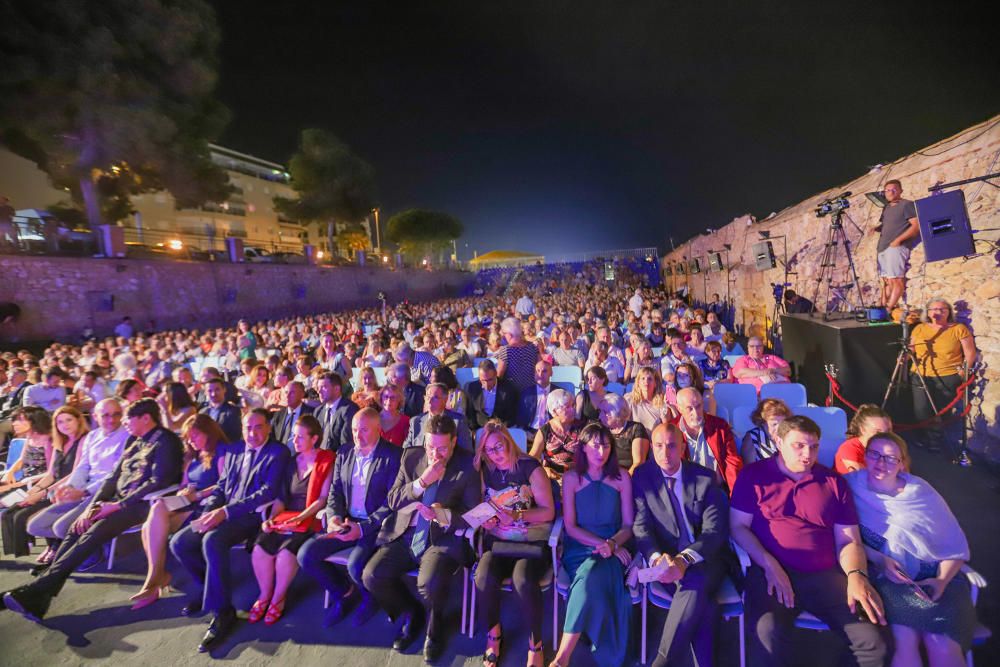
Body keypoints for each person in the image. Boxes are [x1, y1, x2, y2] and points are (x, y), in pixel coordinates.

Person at [2, 398, 184, 622]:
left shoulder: (167, 441)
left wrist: (117, 505)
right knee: (76, 528)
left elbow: (158, 481)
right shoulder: (135, 441)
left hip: (145, 503)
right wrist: (90, 508)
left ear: (146, 418)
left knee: (92, 533)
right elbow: (112, 478)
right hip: (118, 500)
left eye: (128, 417)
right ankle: (39, 595)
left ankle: (37, 591)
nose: (123, 422)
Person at [730, 415, 888, 667]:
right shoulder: (754, 476)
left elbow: (848, 540)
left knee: (873, 643)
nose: (808, 454)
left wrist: (857, 575)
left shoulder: (833, 483)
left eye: (814, 446)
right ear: (779, 442)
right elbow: (738, 527)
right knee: (766, 636)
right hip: (771, 572)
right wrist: (768, 563)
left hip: (825, 575)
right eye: (799, 446)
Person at [846, 432, 975, 667]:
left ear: (902, 463)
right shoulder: (850, 486)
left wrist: (941, 581)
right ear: (865, 455)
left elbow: (953, 547)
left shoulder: (921, 492)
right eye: (874, 454)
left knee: (942, 645)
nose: (881, 463)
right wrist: (879, 559)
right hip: (886, 579)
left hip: (938, 580)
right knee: (904, 641)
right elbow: (845, 540)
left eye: (890, 458)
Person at [361, 414, 481, 662]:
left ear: (454, 441)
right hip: (407, 534)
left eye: (442, 448)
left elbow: (473, 514)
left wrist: (443, 514)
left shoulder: (467, 465)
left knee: (429, 583)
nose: (435, 454)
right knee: (371, 575)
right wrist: (421, 482)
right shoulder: (411, 456)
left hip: (441, 538)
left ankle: (434, 630)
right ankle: (411, 612)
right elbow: (393, 500)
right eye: (430, 446)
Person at [169, 408, 290, 652]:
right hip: (223, 512)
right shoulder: (234, 450)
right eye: (248, 427)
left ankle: (223, 612)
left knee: (212, 541)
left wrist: (224, 513)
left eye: (258, 427)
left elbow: (266, 492)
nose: (252, 433)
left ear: (268, 428)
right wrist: (208, 513)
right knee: (179, 543)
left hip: (251, 516)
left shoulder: (277, 452)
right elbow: (222, 487)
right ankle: (211, 589)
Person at [634, 423, 731, 667]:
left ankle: (661, 662)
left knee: (694, 582)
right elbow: (641, 527)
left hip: (705, 560)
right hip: (665, 562)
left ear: (683, 447)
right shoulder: (643, 477)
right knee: (703, 606)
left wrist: (684, 560)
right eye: (658, 446)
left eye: (671, 445)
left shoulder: (704, 478)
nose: (665, 453)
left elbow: (714, 532)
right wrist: (658, 559)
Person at [298, 408, 402, 627]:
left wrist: (363, 528)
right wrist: (334, 516)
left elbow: (391, 504)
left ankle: (369, 599)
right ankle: (343, 593)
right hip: (346, 522)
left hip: (374, 526)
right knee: (306, 555)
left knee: (355, 566)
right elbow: (335, 491)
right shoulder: (344, 452)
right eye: (355, 430)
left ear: (378, 429)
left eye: (364, 430)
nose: (358, 435)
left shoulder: (393, 456)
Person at [550, 422, 634, 667]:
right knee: (588, 575)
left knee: (589, 579)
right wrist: (604, 544)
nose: (602, 451)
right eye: (595, 445)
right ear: (583, 448)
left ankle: (562, 658)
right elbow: (571, 526)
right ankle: (566, 656)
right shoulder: (571, 478)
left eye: (606, 445)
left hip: (612, 549)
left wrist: (613, 544)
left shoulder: (622, 477)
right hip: (581, 547)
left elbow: (628, 525)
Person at [474, 421, 556, 667]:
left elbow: (549, 512)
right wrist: (484, 521)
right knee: (483, 576)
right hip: (498, 542)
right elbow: (482, 507)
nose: (495, 454)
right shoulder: (487, 471)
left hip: (530, 541)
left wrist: (518, 516)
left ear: (509, 442)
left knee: (522, 579)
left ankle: (536, 645)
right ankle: (494, 634)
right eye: (489, 450)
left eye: (499, 446)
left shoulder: (530, 468)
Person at [128, 414, 229, 610]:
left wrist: (197, 495)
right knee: (152, 518)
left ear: (209, 433)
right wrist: (185, 491)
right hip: (188, 503)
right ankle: (156, 577)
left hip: (208, 505)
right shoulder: (192, 457)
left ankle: (156, 580)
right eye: (188, 438)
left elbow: (224, 485)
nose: (192, 441)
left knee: (154, 517)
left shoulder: (221, 452)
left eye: (196, 436)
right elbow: (184, 484)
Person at [248, 415, 334, 625]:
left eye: (299, 437)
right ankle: (264, 595)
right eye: (293, 436)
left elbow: (323, 499)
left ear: (314, 439)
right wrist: (272, 519)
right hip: (286, 518)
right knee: (261, 548)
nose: (294, 441)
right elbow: (280, 498)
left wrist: (301, 517)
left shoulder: (326, 460)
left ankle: (278, 598)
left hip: (309, 519)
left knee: (285, 554)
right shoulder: (290, 462)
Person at [25, 399, 128, 567]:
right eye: (106, 415)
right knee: (35, 525)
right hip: (85, 489)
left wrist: (83, 492)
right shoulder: (93, 436)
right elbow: (82, 467)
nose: (111, 419)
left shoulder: (127, 436)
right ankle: (78, 547)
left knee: (61, 528)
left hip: (107, 492)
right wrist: (69, 487)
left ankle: (92, 552)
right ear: (95, 416)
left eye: (116, 414)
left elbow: (115, 475)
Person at [1, 406, 86, 560]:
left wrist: (40, 490)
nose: (64, 425)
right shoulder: (60, 441)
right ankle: (34, 546)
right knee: (9, 510)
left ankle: (52, 547)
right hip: (41, 486)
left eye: (68, 420)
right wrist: (14, 474)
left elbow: (74, 474)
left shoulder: (78, 441)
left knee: (19, 513)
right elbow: (52, 473)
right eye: (60, 422)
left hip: (66, 490)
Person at [908, 298, 977, 463]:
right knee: (921, 409)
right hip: (920, 374)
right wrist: (905, 356)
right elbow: (912, 348)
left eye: (942, 309)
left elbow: (970, 352)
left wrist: (963, 371)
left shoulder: (958, 329)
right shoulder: (919, 328)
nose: (937, 312)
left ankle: (934, 442)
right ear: (928, 312)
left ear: (948, 312)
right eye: (933, 309)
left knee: (941, 410)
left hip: (948, 375)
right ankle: (926, 437)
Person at [674, 387, 742, 493]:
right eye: (689, 409)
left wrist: (736, 494)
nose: (696, 413)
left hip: (717, 490)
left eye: (698, 406)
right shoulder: (672, 429)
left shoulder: (719, 426)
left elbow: (732, 462)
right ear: (679, 409)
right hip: (686, 493)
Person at [874, 179, 920, 310]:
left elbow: (916, 226)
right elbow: (887, 225)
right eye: (887, 190)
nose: (890, 192)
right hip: (882, 247)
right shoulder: (886, 208)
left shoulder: (907, 205)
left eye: (894, 189)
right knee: (886, 281)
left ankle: (889, 309)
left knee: (896, 280)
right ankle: (882, 308)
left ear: (900, 191)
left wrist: (898, 240)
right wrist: (875, 228)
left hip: (895, 247)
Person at [529, 388, 584, 481]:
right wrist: (543, 470)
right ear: (554, 412)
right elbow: (531, 459)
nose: (572, 410)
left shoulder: (581, 428)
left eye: (573, 405)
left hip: (578, 477)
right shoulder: (545, 431)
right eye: (567, 407)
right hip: (553, 478)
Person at [402, 382, 473, 451]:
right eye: (428, 397)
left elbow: (466, 452)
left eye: (435, 397)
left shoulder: (458, 422)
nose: (429, 401)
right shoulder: (416, 421)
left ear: (445, 400)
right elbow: (406, 450)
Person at [0, 407, 51, 498]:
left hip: (35, 485)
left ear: (35, 421)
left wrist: (18, 484)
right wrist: (10, 472)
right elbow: (21, 460)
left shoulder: (49, 440)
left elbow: (51, 473)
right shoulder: (30, 437)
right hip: (22, 481)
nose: (14, 423)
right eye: (15, 420)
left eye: (20, 420)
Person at [599, 392, 650, 474]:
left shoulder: (636, 429)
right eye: (600, 411)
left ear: (618, 413)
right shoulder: (602, 430)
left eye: (605, 412)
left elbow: (639, 462)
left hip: (631, 477)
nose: (600, 416)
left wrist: (624, 482)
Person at [835, 404, 893, 475]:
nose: (885, 436)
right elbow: (863, 479)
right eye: (878, 432)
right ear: (862, 430)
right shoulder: (849, 449)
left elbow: (904, 473)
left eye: (888, 431)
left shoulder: (891, 448)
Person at [465, 359, 518, 430]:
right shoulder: (471, 388)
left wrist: (502, 429)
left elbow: (512, 415)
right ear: (479, 377)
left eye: (490, 380)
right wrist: (474, 432)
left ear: (496, 374)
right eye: (483, 380)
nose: (487, 385)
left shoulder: (508, 389)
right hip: (480, 429)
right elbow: (470, 414)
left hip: (501, 430)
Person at [314, 371, 359, 452]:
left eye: (323, 387)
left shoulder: (349, 409)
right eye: (318, 387)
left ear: (337, 389)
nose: (319, 391)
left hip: (337, 459)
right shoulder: (318, 411)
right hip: (318, 460)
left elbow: (346, 443)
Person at [740, 398, 793, 465]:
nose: (779, 428)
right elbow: (748, 470)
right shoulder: (753, 437)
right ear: (763, 423)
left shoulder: (791, 435)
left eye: (782, 423)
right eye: (774, 424)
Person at [495, 317, 539, 396]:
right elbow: (539, 370)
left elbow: (499, 376)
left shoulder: (506, 351)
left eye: (504, 334)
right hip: (532, 392)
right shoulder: (533, 347)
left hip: (512, 394)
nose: (504, 337)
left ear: (509, 335)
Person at [627, 366, 675, 432]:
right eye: (643, 378)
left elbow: (666, 426)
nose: (646, 381)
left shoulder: (662, 400)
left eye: (650, 379)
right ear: (638, 383)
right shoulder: (629, 399)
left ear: (655, 383)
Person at [270, 381, 315, 451]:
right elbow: (271, 436)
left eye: (292, 393)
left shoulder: (311, 414)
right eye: (286, 392)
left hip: (301, 456)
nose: (287, 396)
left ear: (302, 394)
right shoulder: (278, 414)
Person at [199, 377, 242, 444]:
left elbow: (235, 437)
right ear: (205, 393)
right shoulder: (202, 413)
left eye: (217, 390)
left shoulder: (233, 411)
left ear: (224, 389)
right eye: (210, 391)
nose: (213, 394)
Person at [516, 359, 554, 435]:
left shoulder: (558, 393)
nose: (540, 374)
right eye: (538, 371)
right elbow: (520, 419)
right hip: (531, 431)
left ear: (551, 373)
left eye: (544, 371)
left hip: (551, 431)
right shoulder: (526, 394)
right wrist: (525, 432)